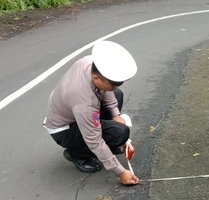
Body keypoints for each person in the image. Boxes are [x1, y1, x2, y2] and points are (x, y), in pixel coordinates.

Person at [43, 40, 140, 185]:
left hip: (71, 111)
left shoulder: (90, 63)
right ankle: (77, 154)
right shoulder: (84, 102)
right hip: (64, 129)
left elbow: (106, 90)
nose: (113, 87)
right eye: (112, 83)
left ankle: (108, 144)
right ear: (96, 78)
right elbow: (94, 139)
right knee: (120, 133)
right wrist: (121, 172)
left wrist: (115, 114)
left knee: (116, 94)